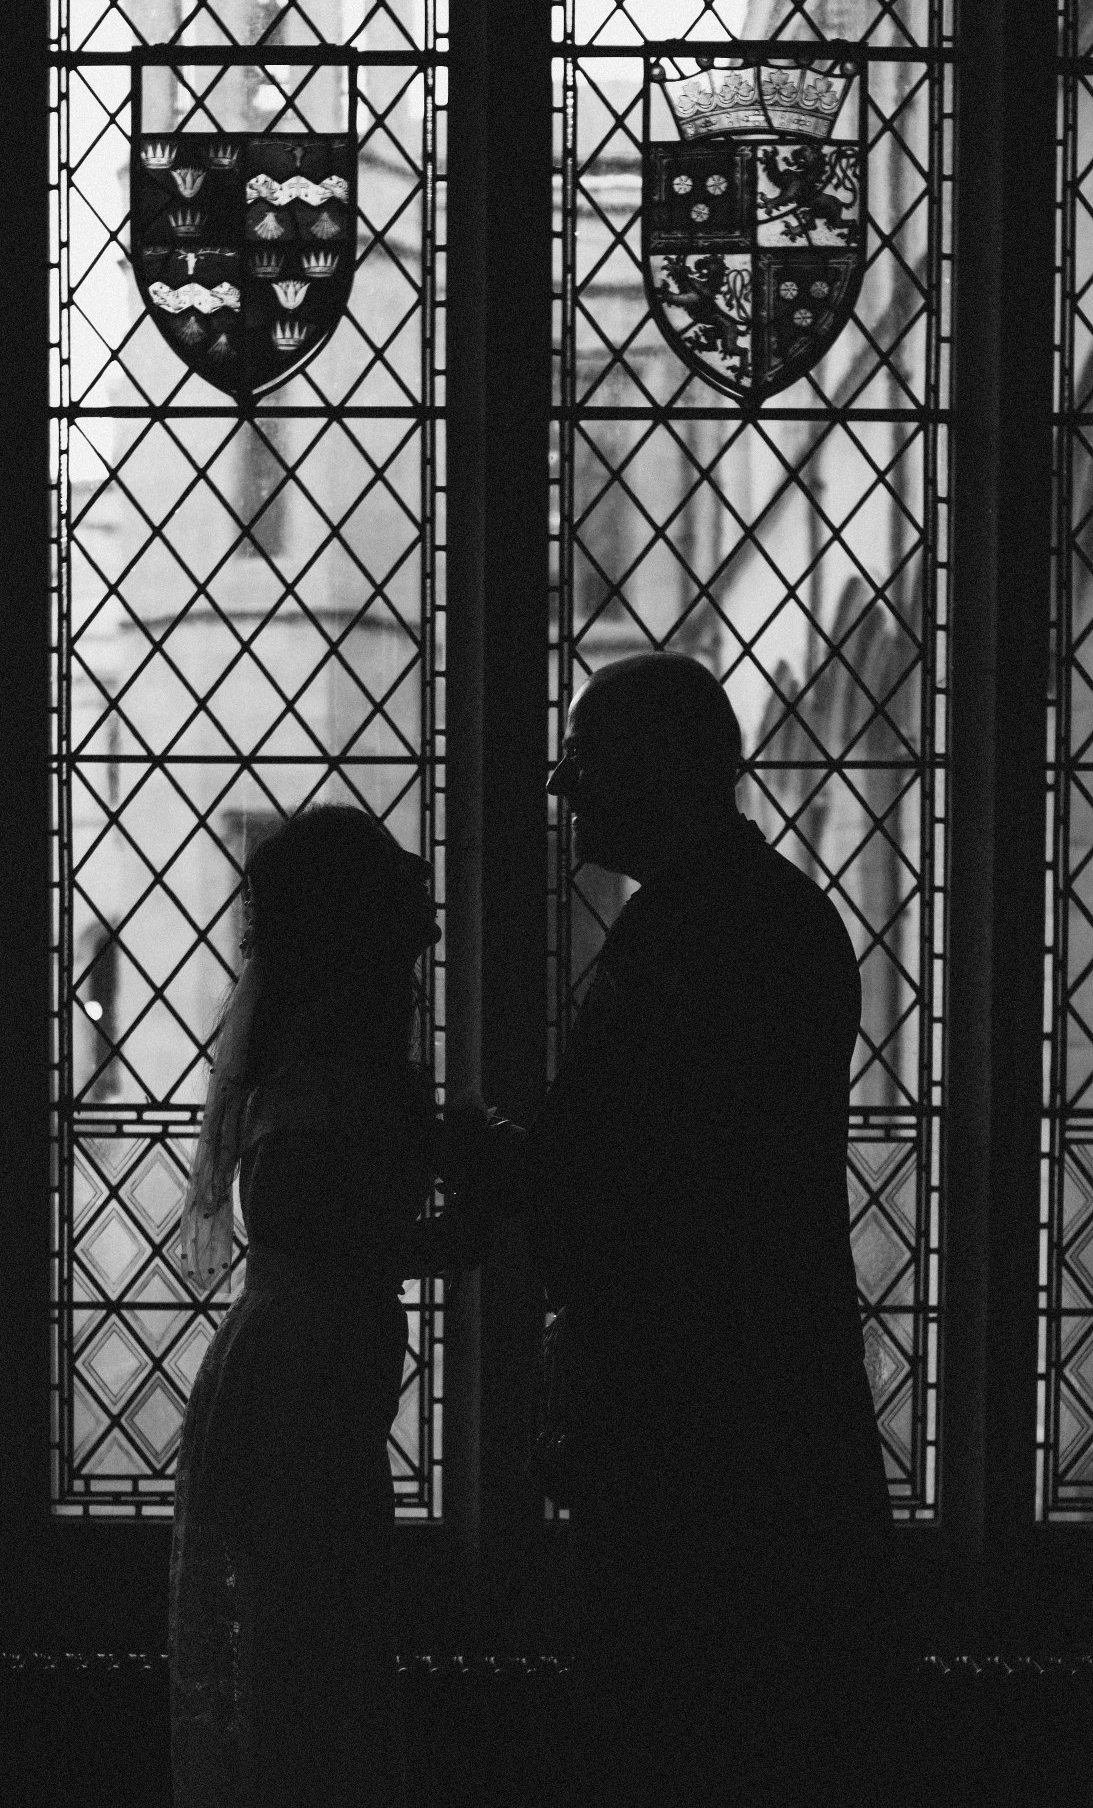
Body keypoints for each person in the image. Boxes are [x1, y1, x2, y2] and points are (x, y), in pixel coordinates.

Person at [451, 652, 897, 1805]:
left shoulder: (717, 930)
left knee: (686, 1731)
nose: (559, 784)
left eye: (583, 756)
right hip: (732, 1417)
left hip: (707, 1436)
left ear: (662, 766)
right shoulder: (743, 913)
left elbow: (654, 1185)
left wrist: (481, 1152)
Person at [168, 803, 446, 1808]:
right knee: (306, 1660)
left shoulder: (321, 1054)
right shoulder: (324, 1064)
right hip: (300, 1389)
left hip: (306, 1375)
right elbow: (317, 1219)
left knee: (309, 1656)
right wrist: (460, 1232)